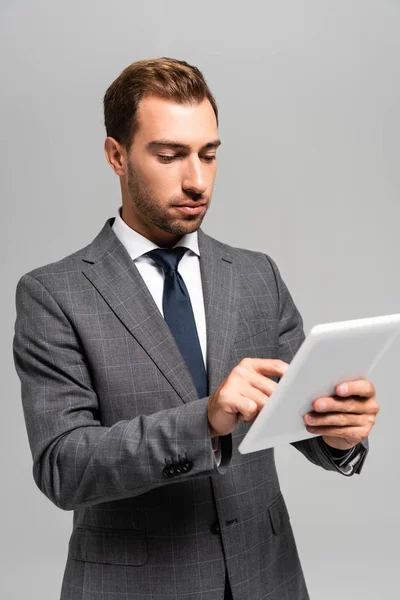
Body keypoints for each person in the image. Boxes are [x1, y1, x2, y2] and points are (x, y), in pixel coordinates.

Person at [13, 57, 379, 600]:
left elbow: (299, 416)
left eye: (209, 154)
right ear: (117, 155)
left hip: (267, 578)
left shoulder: (257, 275)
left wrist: (340, 436)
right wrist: (204, 419)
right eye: (170, 155)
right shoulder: (54, 294)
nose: (197, 179)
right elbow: (63, 468)